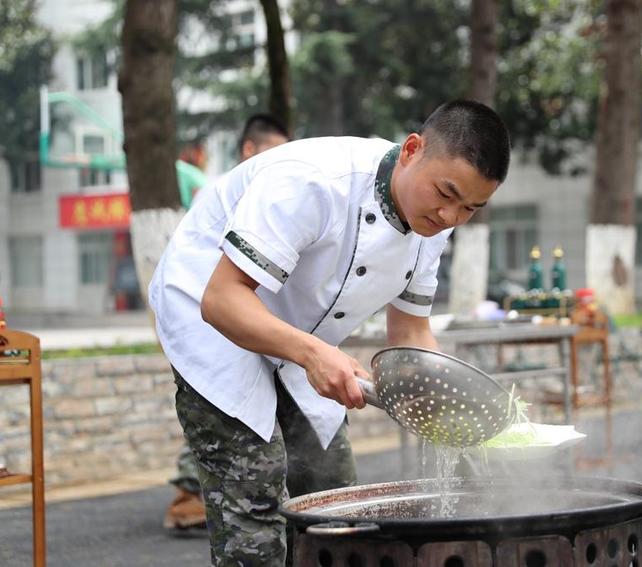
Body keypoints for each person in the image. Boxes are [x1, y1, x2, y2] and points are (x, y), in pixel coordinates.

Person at [149, 100, 510, 565]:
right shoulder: (312, 180)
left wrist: (454, 419)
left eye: (471, 208)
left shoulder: (435, 223)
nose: (450, 217)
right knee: (256, 496)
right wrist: (314, 353)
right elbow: (222, 300)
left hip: (301, 331)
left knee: (337, 502)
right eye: (446, 193)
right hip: (211, 310)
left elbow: (411, 333)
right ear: (412, 150)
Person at [163, 113, 290, 532]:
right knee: (216, 411)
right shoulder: (220, 193)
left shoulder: (275, 201)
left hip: (246, 320)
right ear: (249, 150)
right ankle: (188, 496)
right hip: (206, 318)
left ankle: (198, 494)